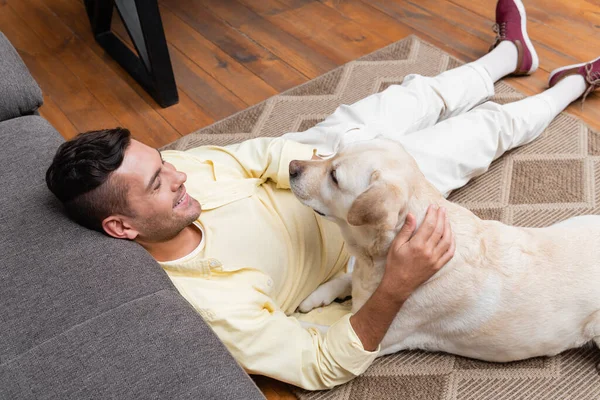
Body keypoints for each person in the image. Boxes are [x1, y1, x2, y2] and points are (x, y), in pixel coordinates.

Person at [45, 0, 599, 391]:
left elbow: (256, 156)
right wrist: (396, 284)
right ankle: (575, 84)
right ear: (122, 226)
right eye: (159, 183)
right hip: (354, 226)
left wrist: (335, 154)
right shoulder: (207, 308)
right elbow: (315, 365)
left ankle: (507, 58)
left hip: (328, 162)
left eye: (165, 163)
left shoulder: (180, 174)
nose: (180, 176)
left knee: (408, 100)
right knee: (477, 137)